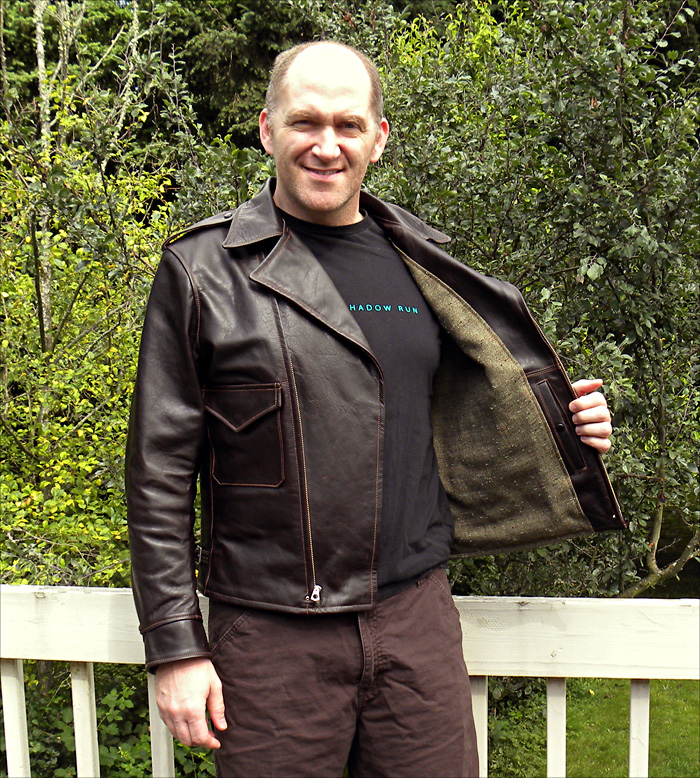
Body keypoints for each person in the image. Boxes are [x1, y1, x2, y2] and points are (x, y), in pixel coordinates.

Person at [126, 41, 623, 777]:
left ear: (379, 138)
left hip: (417, 622)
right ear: (267, 129)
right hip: (271, 636)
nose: (326, 145)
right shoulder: (203, 271)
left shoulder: (425, 262)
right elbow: (158, 472)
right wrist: (175, 647)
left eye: (349, 125)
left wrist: (570, 432)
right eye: (305, 122)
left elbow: (462, 415)